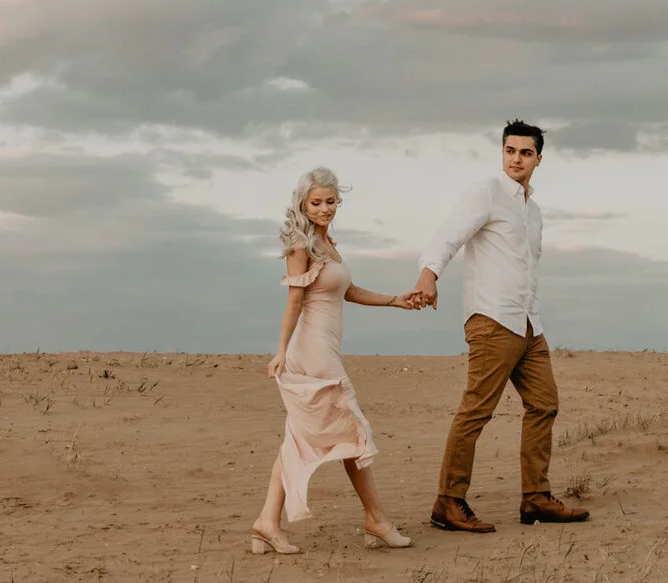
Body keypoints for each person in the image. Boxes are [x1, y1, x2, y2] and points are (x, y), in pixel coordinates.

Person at [410, 120, 590, 532]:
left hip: (527, 321)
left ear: (538, 159)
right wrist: (428, 276)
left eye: (526, 153)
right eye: (510, 151)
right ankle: (449, 502)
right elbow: (449, 235)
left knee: (544, 403)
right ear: (502, 153)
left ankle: (535, 498)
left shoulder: (534, 211)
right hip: (492, 319)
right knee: (477, 410)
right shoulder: (486, 193)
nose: (516, 159)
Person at [250, 167, 424, 554]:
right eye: (317, 203)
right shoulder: (300, 246)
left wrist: (395, 299)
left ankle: (266, 522)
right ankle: (376, 520)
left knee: (299, 439)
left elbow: (348, 291)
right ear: (302, 204)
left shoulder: (327, 243)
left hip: (324, 348)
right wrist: (280, 350)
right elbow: (295, 300)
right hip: (311, 353)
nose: (325, 208)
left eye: (331, 202)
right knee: (353, 433)